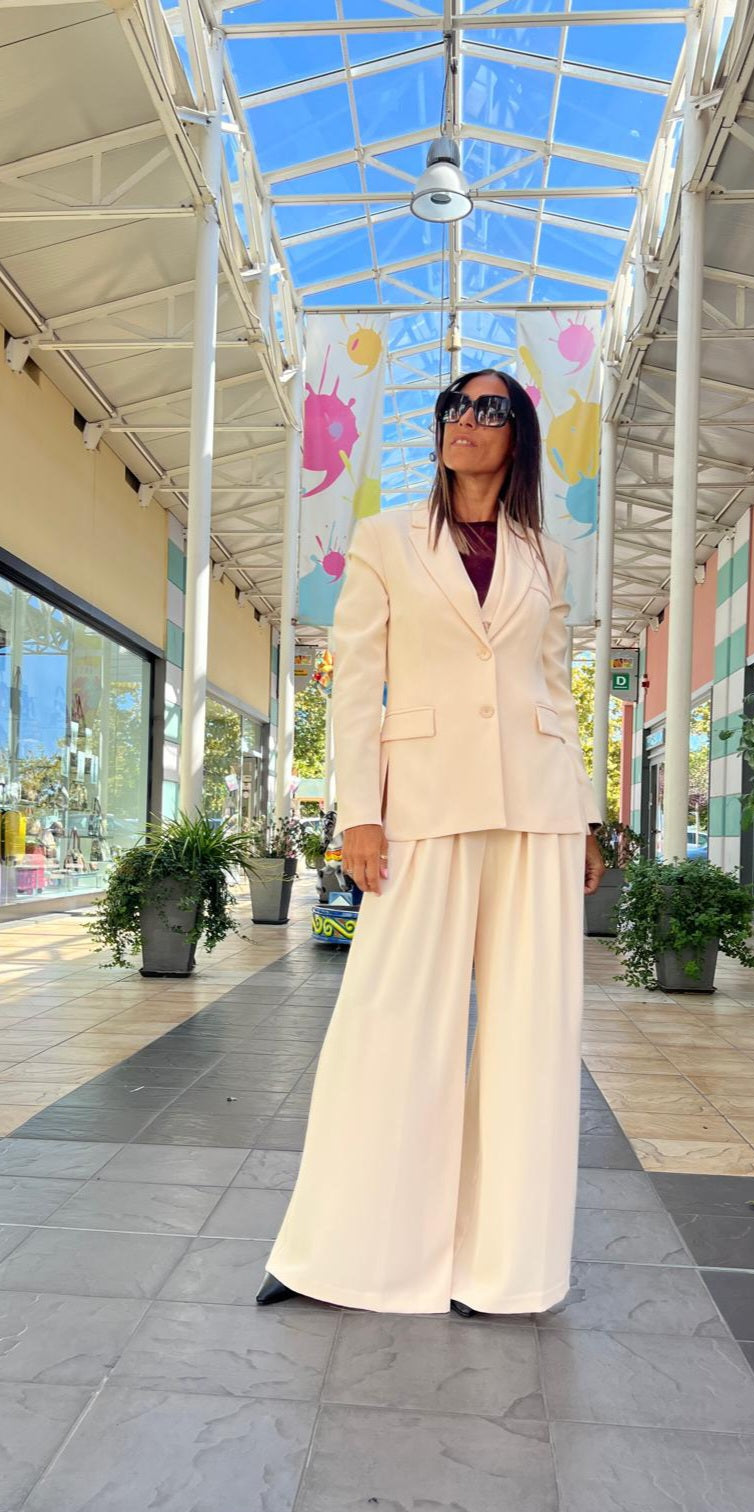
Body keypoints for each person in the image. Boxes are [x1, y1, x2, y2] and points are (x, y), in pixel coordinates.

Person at [258, 369, 605, 1319]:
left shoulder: (547, 557)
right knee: (389, 1016)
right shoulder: (384, 540)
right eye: (455, 407)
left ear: (518, 435)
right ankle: (339, 1254)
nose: (466, 422)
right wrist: (358, 813)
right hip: (419, 803)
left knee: (533, 1033)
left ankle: (507, 1270)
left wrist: (583, 814)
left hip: (535, 806)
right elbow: (355, 681)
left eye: (489, 410)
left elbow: (557, 690)